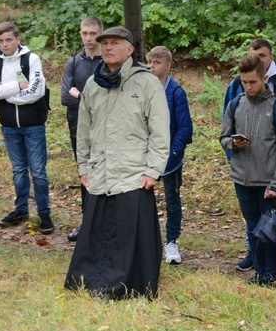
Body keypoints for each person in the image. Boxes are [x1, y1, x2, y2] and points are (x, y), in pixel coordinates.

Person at [64, 27, 170, 299]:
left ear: (129, 49)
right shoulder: (92, 84)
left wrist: (153, 170)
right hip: (100, 173)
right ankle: (91, 281)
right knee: (96, 231)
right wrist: (84, 167)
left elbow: (160, 132)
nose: (108, 47)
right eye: (105, 43)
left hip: (133, 174)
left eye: (115, 43)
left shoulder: (146, 83)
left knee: (129, 234)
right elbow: (84, 130)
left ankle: (129, 285)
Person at [223, 38, 276, 272]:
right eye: (244, 82)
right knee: (252, 225)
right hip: (242, 178)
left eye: (253, 82)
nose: (248, 87)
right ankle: (258, 270)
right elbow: (224, 136)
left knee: (269, 228)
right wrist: (233, 144)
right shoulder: (235, 104)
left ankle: (269, 273)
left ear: (264, 78)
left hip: (269, 180)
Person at [0, 21, 53, 234]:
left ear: (18, 39)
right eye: (1, 41)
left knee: (38, 171)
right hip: (9, 126)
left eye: (9, 40)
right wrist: (16, 87)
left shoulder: (31, 59)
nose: (5, 44)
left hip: (33, 125)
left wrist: (5, 93)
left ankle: (44, 214)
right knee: (19, 170)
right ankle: (20, 210)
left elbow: (36, 92)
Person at [147, 46, 194, 265]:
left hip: (171, 158)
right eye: (149, 62)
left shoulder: (176, 92)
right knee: (145, 199)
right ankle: (147, 242)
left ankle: (171, 241)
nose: (152, 66)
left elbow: (185, 128)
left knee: (172, 199)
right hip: (146, 156)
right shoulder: (143, 89)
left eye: (157, 62)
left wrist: (172, 153)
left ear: (168, 65)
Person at [61, 16, 103, 242]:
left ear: (100, 33)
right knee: (85, 176)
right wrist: (88, 99)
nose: (88, 38)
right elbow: (65, 97)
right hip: (78, 129)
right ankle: (87, 225)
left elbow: (107, 103)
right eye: (85, 33)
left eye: (93, 33)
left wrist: (81, 94)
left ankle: (103, 225)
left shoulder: (106, 63)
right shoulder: (73, 63)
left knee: (104, 175)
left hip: (103, 131)